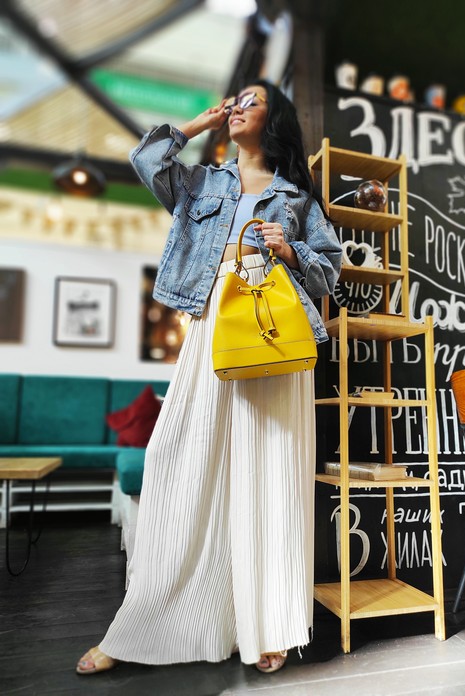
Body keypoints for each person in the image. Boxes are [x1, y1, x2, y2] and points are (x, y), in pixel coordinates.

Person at [76, 79, 342, 676]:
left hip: (274, 332)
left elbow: (331, 271)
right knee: (177, 460)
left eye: (253, 100)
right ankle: (144, 623)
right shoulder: (202, 181)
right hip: (212, 321)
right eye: (236, 100)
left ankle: (269, 626)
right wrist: (196, 126)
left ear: (275, 119)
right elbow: (146, 159)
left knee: (271, 471)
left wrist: (292, 251)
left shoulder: (297, 196)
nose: (240, 106)